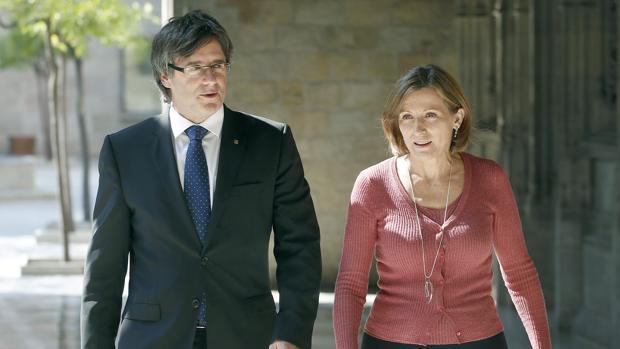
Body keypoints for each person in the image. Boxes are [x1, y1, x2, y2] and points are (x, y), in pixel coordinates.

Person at [81, 10, 321, 349]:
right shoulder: (124, 151)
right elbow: (104, 267)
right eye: (195, 68)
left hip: (247, 335)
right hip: (152, 337)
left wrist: (291, 333)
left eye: (218, 66)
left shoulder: (270, 142)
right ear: (165, 75)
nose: (211, 79)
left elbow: (300, 246)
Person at [333, 65, 551, 349]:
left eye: (430, 115)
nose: (418, 128)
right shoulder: (373, 185)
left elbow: (519, 274)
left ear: (457, 118)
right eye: (407, 116)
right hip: (391, 342)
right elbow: (351, 283)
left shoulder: (490, 179)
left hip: (480, 341)